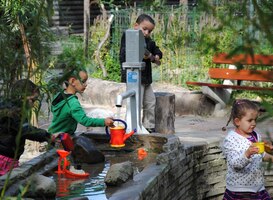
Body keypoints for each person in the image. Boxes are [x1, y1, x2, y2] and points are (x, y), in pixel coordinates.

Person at [221, 99, 273, 199]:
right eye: (250, 120)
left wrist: (270, 153)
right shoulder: (231, 140)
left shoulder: (255, 136)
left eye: (255, 120)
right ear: (237, 121)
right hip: (240, 190)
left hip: (258, 187)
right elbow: (235, 164)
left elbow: (261, 155)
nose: (254, 123)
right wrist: (247, 154)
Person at [119, 14, 163, 133]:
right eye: (144, 29)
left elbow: (156, 49)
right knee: (135, 103)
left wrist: (157, 55)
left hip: (146, 79)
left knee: (150, 102)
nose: (146, 32)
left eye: (149, 31)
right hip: (134, 77)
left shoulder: (148, 41)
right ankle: (131, 127)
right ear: (136, 26)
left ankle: (148, 127)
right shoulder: (129, 37)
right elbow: (125, 54)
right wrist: (143, 55)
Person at [0, 79, 51, 176]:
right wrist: (47, 136)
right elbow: (26, 130)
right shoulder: (15, 112)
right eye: (32, 100)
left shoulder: (6, 107)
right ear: (21, 97)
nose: (33, 105)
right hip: (6, 158)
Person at [48, 67, 114, 136]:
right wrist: (104, 121)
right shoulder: (72, 102)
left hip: (52, 134)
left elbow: (66, 113)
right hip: (60, 138)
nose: (85, 84)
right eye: (83, 81)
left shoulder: (59, 95)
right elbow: (84, 121)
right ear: (72, 81)